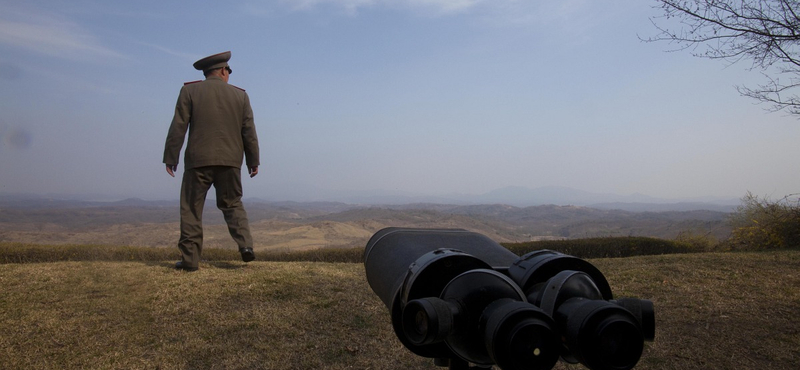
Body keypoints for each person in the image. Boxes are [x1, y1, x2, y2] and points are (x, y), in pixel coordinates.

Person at [163, 51, 260, 272]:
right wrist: (253, 161)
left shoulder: (190, 91)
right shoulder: (240, 96)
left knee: (191, 209)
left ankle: (190, 261)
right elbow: (249, 133)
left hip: (198, 162)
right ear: (223, 71)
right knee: (232, 204)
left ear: (207, 72)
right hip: (230, 162)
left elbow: (179, 126)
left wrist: (171, 157)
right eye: (228, 72)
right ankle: (245, 246)